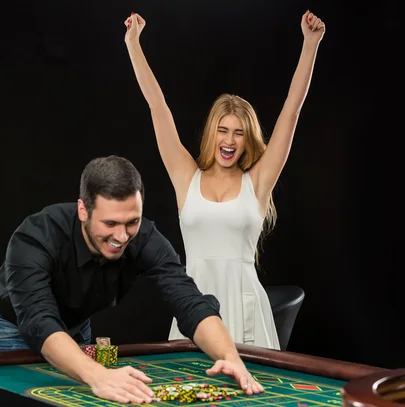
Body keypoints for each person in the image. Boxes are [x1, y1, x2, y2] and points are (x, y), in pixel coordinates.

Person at [0, 155, 265, 404]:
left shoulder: (144, 239)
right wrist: (98, 375)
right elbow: (38, 320)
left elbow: (188, 300)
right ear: (83, 210)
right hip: (13, 327)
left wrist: (229, 355)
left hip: (74, 325)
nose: (121, 236)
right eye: (110, 224)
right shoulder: (35, 236)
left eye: (132, 221)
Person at [123, 10, 326, 350]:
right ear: (211, 134)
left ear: (248, 140)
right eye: (222, 130)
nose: (229, 141)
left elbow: (291, 112)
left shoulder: (258, 182)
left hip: (247, 313)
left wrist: (310, 45)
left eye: (238, 133)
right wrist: (133, 44)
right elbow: (158, 107)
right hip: (193, 308)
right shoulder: (185, 176)